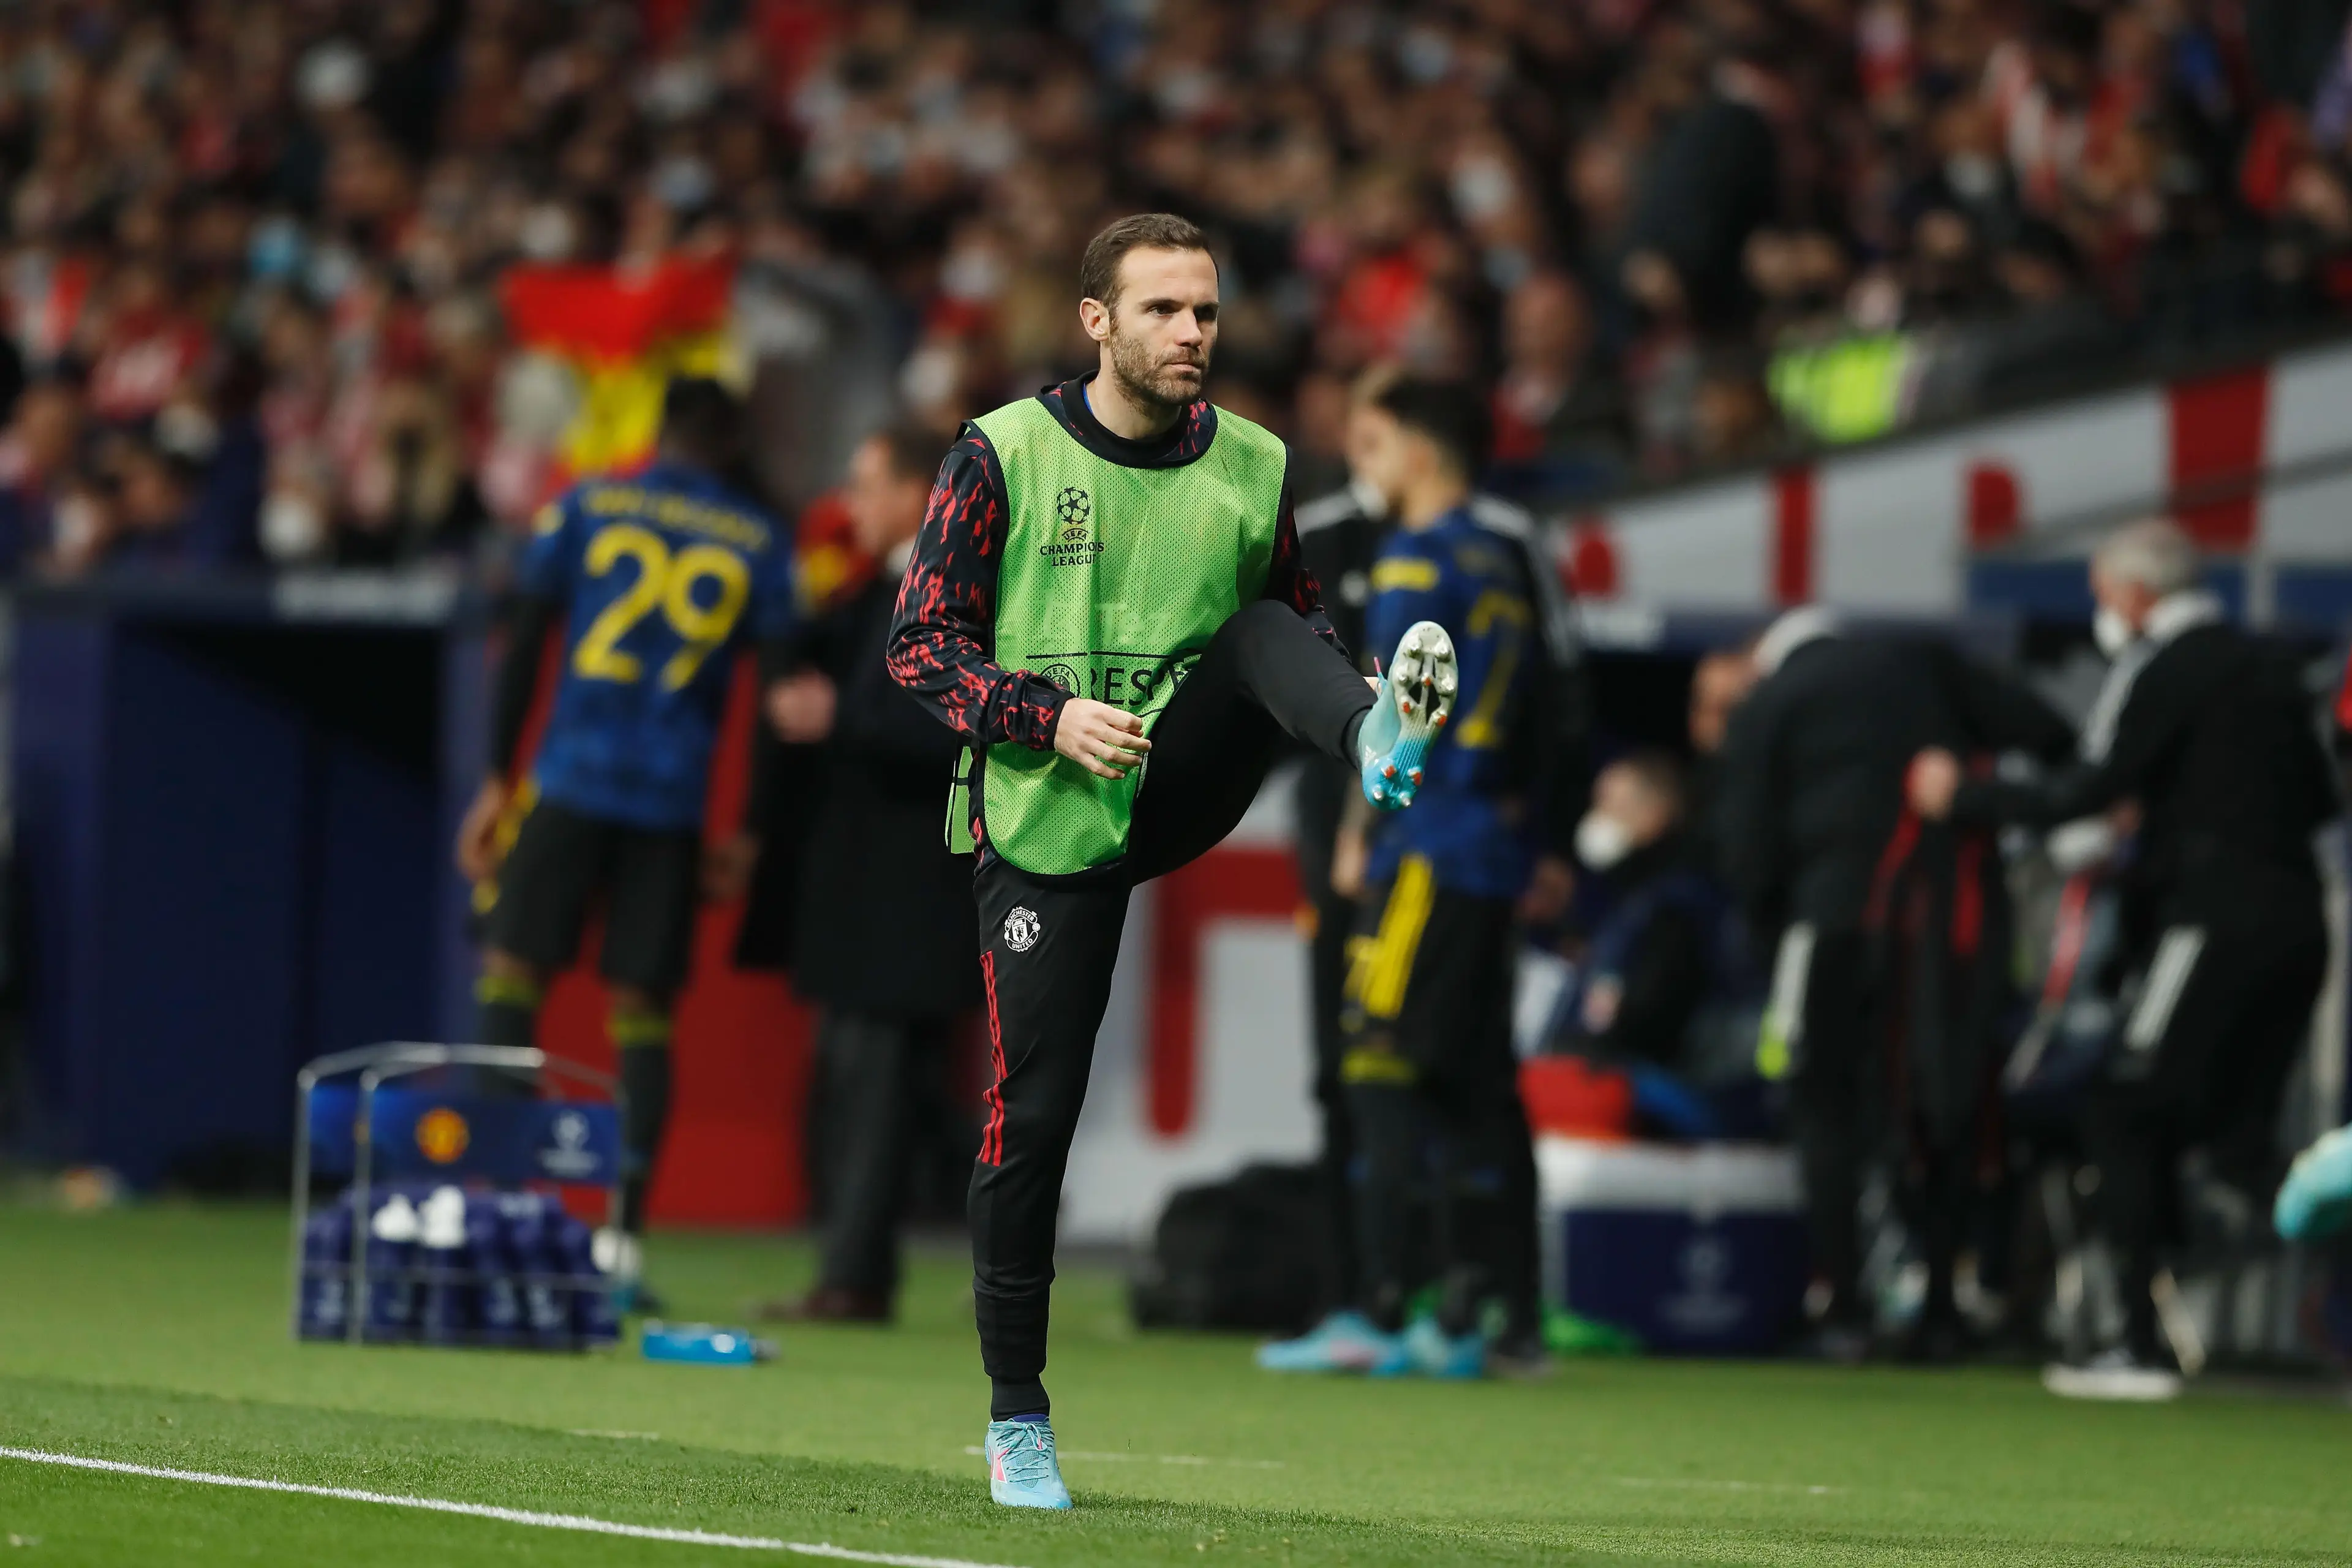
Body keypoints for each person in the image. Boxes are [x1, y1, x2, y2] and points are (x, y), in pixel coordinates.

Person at [884, 213, 1455, 1510]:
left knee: (1260, 630)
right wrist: (1044, 715)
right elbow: (918, 644)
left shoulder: (1254, 461)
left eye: (1204, 310)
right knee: (1032, 1119)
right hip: (1053, 801)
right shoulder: (1003, 453)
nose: (1192, 331)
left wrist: (1341, 688)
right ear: (1098, 321)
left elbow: (1297, 618)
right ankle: (1018, 1417)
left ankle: (1375, 739)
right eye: (1162, 309)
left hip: (1181, 770)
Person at [1909, 518, 2339, 1397]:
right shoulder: (2268, 667)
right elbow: (2322, 795)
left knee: (2121, 1113)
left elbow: (2089, 786)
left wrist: (1970, 798)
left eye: (2104, 594)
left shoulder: (2165, 667)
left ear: (2135, 595)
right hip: (2298, 919)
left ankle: (2135, 1345)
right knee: (2242, 1149)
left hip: (2213, 920)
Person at [454, 378, 795, 1311]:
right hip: (669, 806)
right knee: (643, 1014)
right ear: (727, 445)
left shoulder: (588, 503)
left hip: (570, 780)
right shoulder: (759, 540)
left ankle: (502, 1217)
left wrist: (497, 779)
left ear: (661, 431)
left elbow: (528, 637)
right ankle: (622, 1244)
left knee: (511, 974)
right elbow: (776, 703)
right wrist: (749, 831)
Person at [1263, 377, 1577, 1381]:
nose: (1368, 466)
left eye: (1378, 444)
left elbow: (1402, 723)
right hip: (1489, 849)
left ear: (1422, 452)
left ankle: (1384, 1310)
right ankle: (1502, 1314)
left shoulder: (1415, 561)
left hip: (1428, 846)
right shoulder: (1499, 558)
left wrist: (1363, 828)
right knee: (1482, 1082)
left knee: (1379, 1062)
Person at [1718, 605, 2073, 1361]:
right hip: (1943, 929)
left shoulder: (1772, 700)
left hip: (1830, 924)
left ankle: (1843, 1305)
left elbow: (1747, 843)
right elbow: (2051, 734)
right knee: (1940, 1107)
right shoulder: (1925, 662)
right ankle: (1942, 1301)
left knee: (1824, 1110)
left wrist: (1774, 932)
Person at [751, 424, 981, 1325]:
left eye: (865, 483)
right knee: (860, 1078)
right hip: (866, 884)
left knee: (877, 1081)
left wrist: (839, 717)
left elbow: (956, 722)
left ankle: (854, 1274)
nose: (849, 504)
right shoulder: (871, 589)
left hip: (908, 885)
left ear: (917, 493)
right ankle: (852, 1266)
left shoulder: (960, 592)